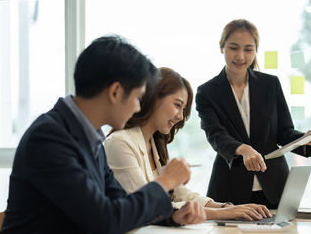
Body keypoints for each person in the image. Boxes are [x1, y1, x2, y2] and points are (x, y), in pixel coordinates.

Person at [0, 36, 205, 234]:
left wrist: (172, 217)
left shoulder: (90, 137)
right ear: (115, 92)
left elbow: (120, 205)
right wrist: (165, 182)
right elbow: (107, 220)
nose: (138, 107)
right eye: (137, 98)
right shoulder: (49, 138)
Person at [104, 67, 271, 220]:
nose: (180, 117)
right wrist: (222, 213)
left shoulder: (154, 144)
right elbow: (145, 205)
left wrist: (226, 207)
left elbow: (179, 194)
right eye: (177, 105)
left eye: (184, 110)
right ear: (154, 97)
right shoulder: (120, 143)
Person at [195, 19, 311, 209]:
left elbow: (284, 132)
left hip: (274, 186)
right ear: (221, 46)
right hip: (229, 188)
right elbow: (216, 135)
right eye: (234, 48)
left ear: (255, 50)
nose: (240, 56)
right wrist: (243, 149)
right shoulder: (207, 92)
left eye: (248, 49)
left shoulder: (270, 85)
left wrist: (306, 138)